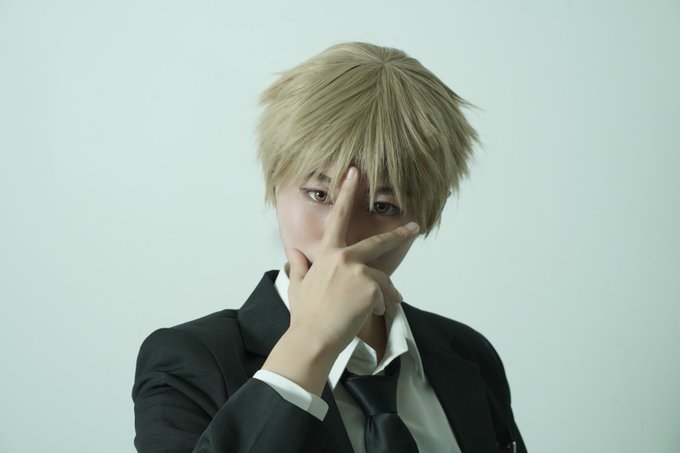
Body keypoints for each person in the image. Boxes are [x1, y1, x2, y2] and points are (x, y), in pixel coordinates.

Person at [132, 42, 527, 453]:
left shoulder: (468, 355)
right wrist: (311, 341)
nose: (342, 235)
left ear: (429, 212)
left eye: (382, 206)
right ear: (275, 182)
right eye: (319, 195)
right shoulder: (188, 362)